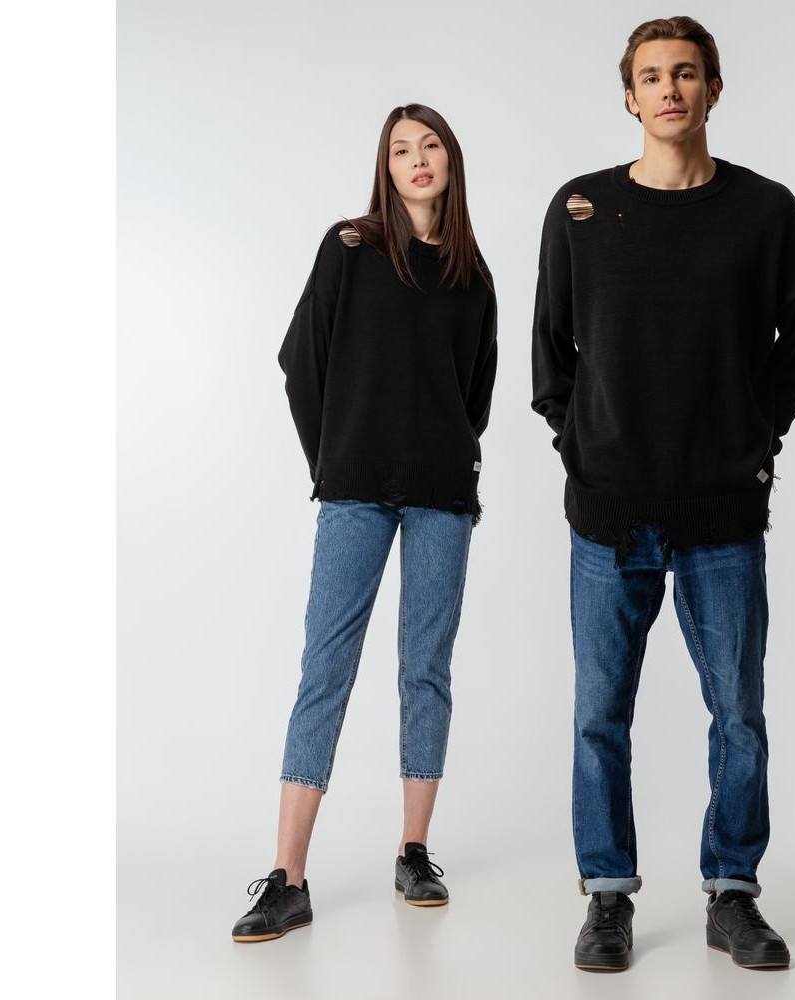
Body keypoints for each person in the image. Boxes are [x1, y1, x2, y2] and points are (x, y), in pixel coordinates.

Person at [531, 16, 795, 972]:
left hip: (721, 509)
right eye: (651, 76)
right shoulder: (579, 208)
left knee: (738, 713)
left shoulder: (765, 211)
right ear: (629, 97)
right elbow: (550, 352)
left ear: (713, 89)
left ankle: (732, 892)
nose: (669, 89)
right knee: (598, 716)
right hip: (609, 510)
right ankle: (607, 895)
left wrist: (756, 442)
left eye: (686, 73)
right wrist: (581, 446)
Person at [232, 104, 497, 942]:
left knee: (427, 669)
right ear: (385, 168)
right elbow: (299, 362)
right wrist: (335, 456)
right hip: (354, 491)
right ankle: (287, 878)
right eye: (400, 149)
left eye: (430, 146)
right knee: (326, 668)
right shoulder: (349, 248)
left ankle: (414, 851)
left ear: (451, 160)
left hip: (442, 494)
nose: (417, 160)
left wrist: (442, 452)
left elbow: (476, 397)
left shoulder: (473, 277)